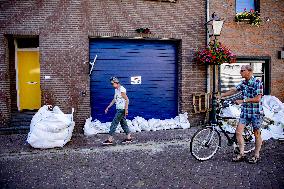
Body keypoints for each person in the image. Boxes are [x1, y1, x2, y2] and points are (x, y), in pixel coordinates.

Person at [219, 65, 264, 164]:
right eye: (241, 70)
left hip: (256, 113)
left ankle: (256, 155)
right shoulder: (244, 83)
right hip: (245, 112)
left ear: (249, 71)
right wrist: (221, 95)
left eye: (242, 70)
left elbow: (258, 99)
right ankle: (242, 153)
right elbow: (234, 90)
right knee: (238, 132)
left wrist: (243, 101)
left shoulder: (257, 82)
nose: (240, 72)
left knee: (257, 134)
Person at [103, 77, 132, 145]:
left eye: (113, 84)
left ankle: (110, 139)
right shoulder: (116, 90)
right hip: (119, 109)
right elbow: (114, 100)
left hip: (122, 109)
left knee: (114, 123)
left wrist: (126, 110)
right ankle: (129, 138)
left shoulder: (122, 89)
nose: (112, 85)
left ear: (117, 83)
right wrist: (108, 107)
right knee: (123, 124)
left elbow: (127, 100)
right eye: (112, 84)